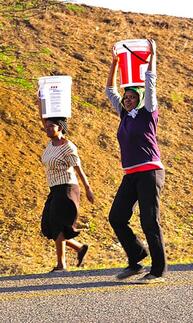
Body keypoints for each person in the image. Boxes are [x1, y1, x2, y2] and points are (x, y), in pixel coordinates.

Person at [106, 39, 166, 283]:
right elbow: (109, 91)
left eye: (132, 96)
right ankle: (137, 257)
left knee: (149, 220)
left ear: (140, 98)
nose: (127, 99)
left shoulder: (148, 113)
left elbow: (150, 83)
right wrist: (114, 64)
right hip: (131, 173)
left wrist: (153, 55)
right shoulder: (124, 115)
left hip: (150, 171)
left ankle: (158, 270)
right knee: (117, 217)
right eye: (126, 96)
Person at [39, 105, 94, 272]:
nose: (47, 129)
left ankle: (61, 264)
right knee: (48, 225)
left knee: (58, 224)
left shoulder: (68, 146)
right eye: (46, 126)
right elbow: (42, 118)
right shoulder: (50, 144)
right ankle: (79, 247)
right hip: (55, 189)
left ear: (60, 128)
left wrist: (88, 188)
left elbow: (78, 168)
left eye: (51, 126)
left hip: (67, 188)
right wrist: (40, 100)